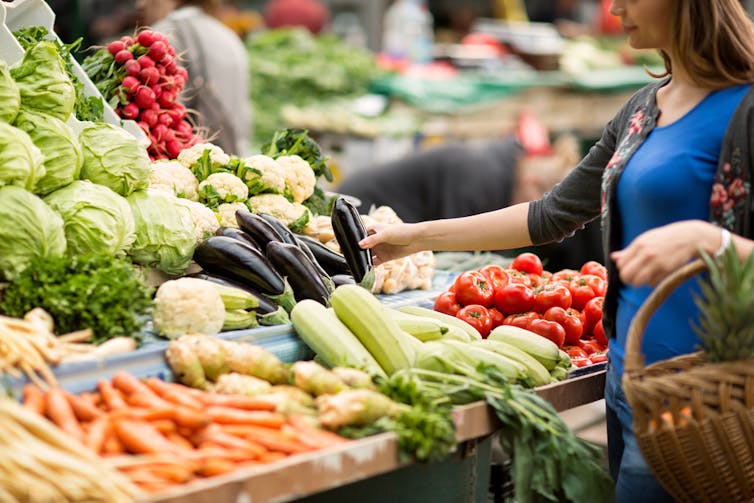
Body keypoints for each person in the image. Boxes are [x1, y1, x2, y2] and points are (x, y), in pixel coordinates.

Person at [359, 1, 754, 501]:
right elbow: (548, 214)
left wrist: (712, 240)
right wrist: (415, 237)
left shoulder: (746, 108)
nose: (614, 8)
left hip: (716, 399)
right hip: (630, 384)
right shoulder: (642, 110)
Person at [335, 133, 603, 272]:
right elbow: (454, 246)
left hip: (400, 221)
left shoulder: (503, 166)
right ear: (533, 183)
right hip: (359, 210)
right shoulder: (479, 177)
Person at [135, 0, 252, 156]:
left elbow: (158, 123)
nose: (140, 5)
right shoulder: (227, 35)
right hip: (231, 157)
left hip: (194, 164)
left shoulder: (166, 34)